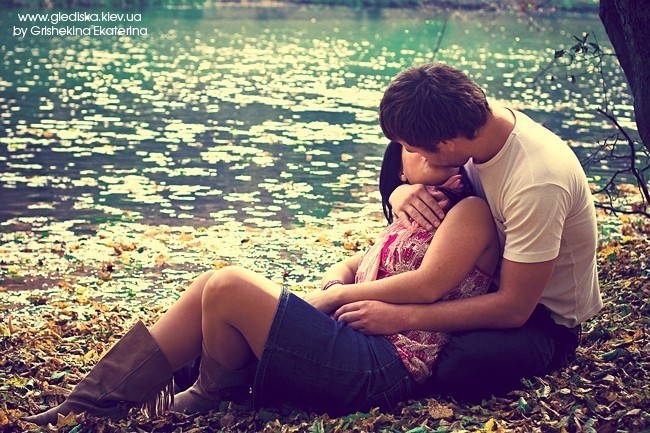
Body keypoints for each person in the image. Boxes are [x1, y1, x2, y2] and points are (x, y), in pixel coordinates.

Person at [24, 141, 499, 426]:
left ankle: (214, 393)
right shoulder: (412, 209)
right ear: (399, 167)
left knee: (229, 286)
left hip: (384, 365)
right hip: (354, 337)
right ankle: (88, 404)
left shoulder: (469, 211)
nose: (431, 154)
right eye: (416, 148)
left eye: (438, 147)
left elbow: (427, 284)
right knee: (210, 284)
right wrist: (337, 277)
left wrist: (338, 295)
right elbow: (361, 261)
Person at [336, 62, 602, 401]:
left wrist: (401, 317)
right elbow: (406, 171)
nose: (412, 155)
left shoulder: (537, 182)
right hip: (476, 286)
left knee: (461, 362)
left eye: (415, 150)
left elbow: (514, 307)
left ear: (445, 147)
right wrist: (399, 191)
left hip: (542, 320)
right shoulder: (471, 128)